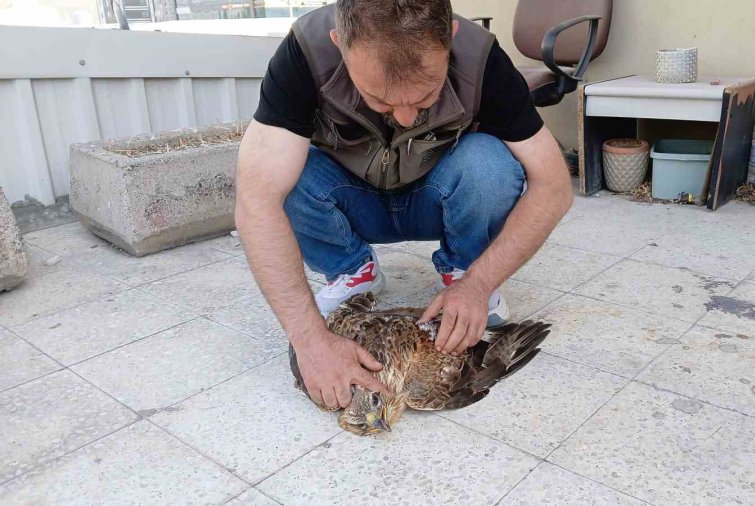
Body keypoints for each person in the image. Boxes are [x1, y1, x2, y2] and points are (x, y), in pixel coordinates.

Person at [235, 0, 573, 411]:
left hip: (437, 198)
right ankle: (351, 270)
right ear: (340, 43)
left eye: (427, 95)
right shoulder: (304, 53)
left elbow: (554, 186)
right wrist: (309, 340)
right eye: (379, 99)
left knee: (490, 164)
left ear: (449, 38)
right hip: (351, 199)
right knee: (275, 175)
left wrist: (479, 284)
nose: (407, 117)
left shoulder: (483, 58)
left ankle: (463, 270)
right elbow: (256, 202)